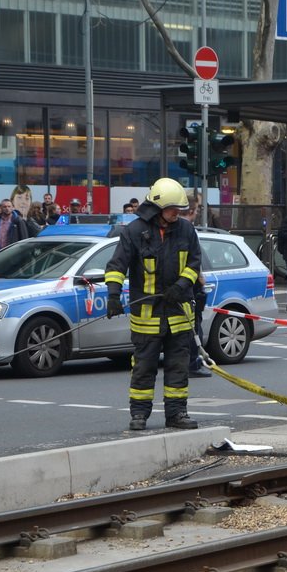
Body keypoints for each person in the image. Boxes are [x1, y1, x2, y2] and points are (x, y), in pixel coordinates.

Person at [105, 177, 201, 431]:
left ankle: (177, 413)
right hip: (147, 315)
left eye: (180, 210)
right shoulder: (135, 231)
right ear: (158, 208)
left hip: (178, 313)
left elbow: (194, 264)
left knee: (178, 368)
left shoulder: (186, 230)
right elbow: (117, 265)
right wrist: (113, 296)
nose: (177, 214)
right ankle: (139, 415)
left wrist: (181, 286)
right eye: (172, 210)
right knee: (144, 368)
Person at [181, 197, 211, 379]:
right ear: (191, 210)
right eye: (197, 209)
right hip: (191, 288)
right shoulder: (187, 230)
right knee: (194, 328)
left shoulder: (175, 228)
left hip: (183, 287)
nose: (198, 212)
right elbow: (194, 260)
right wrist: (200, 279)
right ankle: (194, 363)